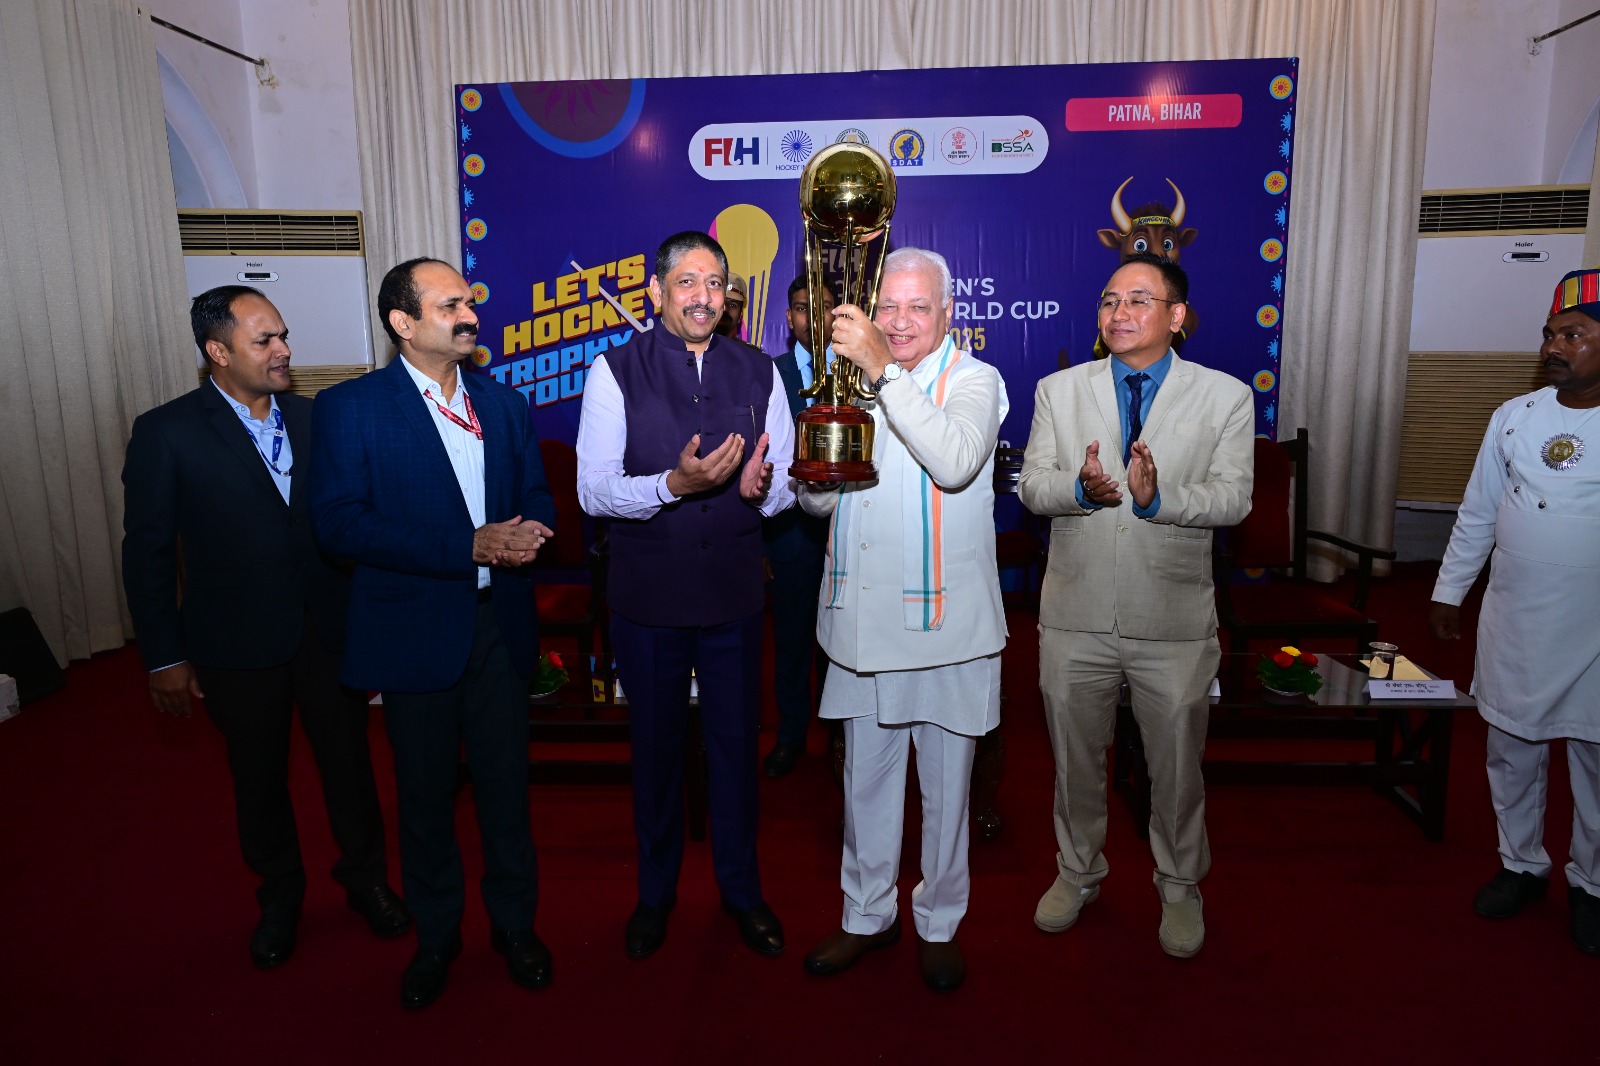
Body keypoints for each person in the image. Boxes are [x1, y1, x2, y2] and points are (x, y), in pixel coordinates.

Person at [121, 285, 408, 970]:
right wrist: (164, 656)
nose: (283, 351)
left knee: (351, 769)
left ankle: (366, 879)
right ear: (218, 352)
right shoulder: (166, 432)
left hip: (328, 632)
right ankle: (280, 895)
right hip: (234, 643)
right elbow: (148, 552)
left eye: (283, 336)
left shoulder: (318, 420)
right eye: (264, 341)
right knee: (258, 777)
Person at [308, 257, 556, 1010]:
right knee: (422, 800)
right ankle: (437, 935)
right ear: (402, 322)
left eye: (470, 299)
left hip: (499, 629)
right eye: (450, 303)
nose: (469, 312)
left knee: (507, 795)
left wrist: (530, 531)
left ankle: (515, 928)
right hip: (414, 632)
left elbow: (536, 491)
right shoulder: (352, 408)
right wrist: (467, 546)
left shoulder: (504, 404)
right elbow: (340, 524)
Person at [1018, 253, 1252, 959]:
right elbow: (1032, 485)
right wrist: (1082, 490)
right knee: (1075, 763)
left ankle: (1179, 883)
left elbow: (1234, 499)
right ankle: (1078, 872)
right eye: (1109, 300)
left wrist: (1158, 500)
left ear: (1176, 317)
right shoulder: (1059, 390)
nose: (1118, 313)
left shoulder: (1224, 397)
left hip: (1172, 617)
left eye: (1139, 300)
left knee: (1175, 767)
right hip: (1074, 611)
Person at [576, 230, 795, 960]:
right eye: (687, 283)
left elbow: (785, 480)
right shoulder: (614, 371)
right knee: (657, 752)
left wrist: (764, 494)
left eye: (715, 285)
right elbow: (594, 490)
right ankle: (655, 894)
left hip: (734, 597)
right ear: (657, 291)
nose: (703, 298)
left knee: (735, 750)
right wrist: (674, 485)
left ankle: (741, 890)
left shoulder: (759, 371)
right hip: (648, 601)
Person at [798, 247, 1008, 992]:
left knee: (947, 792)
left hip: (946, 632)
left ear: (949, 314)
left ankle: (940, 920)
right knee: (866, 786)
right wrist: (808, 476)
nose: (900, 321)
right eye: (887, 307)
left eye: (918, 307)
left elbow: (953, 461)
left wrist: (884, 371)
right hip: (860, 624)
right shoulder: (846, 384)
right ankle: (866, 916)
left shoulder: (976, 381)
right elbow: (822, 503)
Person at [1430, 266, 1600, 956]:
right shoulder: (1515, 417)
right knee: (1510, 749)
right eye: (1551, 334)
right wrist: (1449, 589)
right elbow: (1478, 513)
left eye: (1575, 334)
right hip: (1517, 616)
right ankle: (1522, 865)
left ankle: (1591, 883)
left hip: (1594, 627)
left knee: (1594, 760)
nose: (1555, 346)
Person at [761, 275, 836, 777]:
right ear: (789, 319)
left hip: (851, 533)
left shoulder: (862, 374)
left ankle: (841, 744)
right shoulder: (770, 374)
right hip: (789, 533)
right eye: (803, 308)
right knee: (790, 644)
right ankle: (790, 737)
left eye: (825, 306)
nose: (815, 316)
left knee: (842, 647)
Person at [714, 271, 748, 339]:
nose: (725, 309)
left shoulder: (748, 350)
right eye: (720, 302)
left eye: (733, 305)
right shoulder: (688, 348)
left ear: (740, 316)